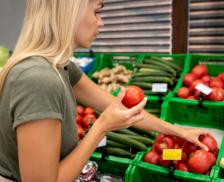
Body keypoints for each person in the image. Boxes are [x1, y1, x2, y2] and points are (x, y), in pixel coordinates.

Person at [0, 0, 212, 181]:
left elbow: (120, 106)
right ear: (69, 12)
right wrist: (100, 127)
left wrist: (181, 132)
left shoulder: (60, 66)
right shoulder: (39, 79)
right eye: (97, 11)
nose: (101, 22)